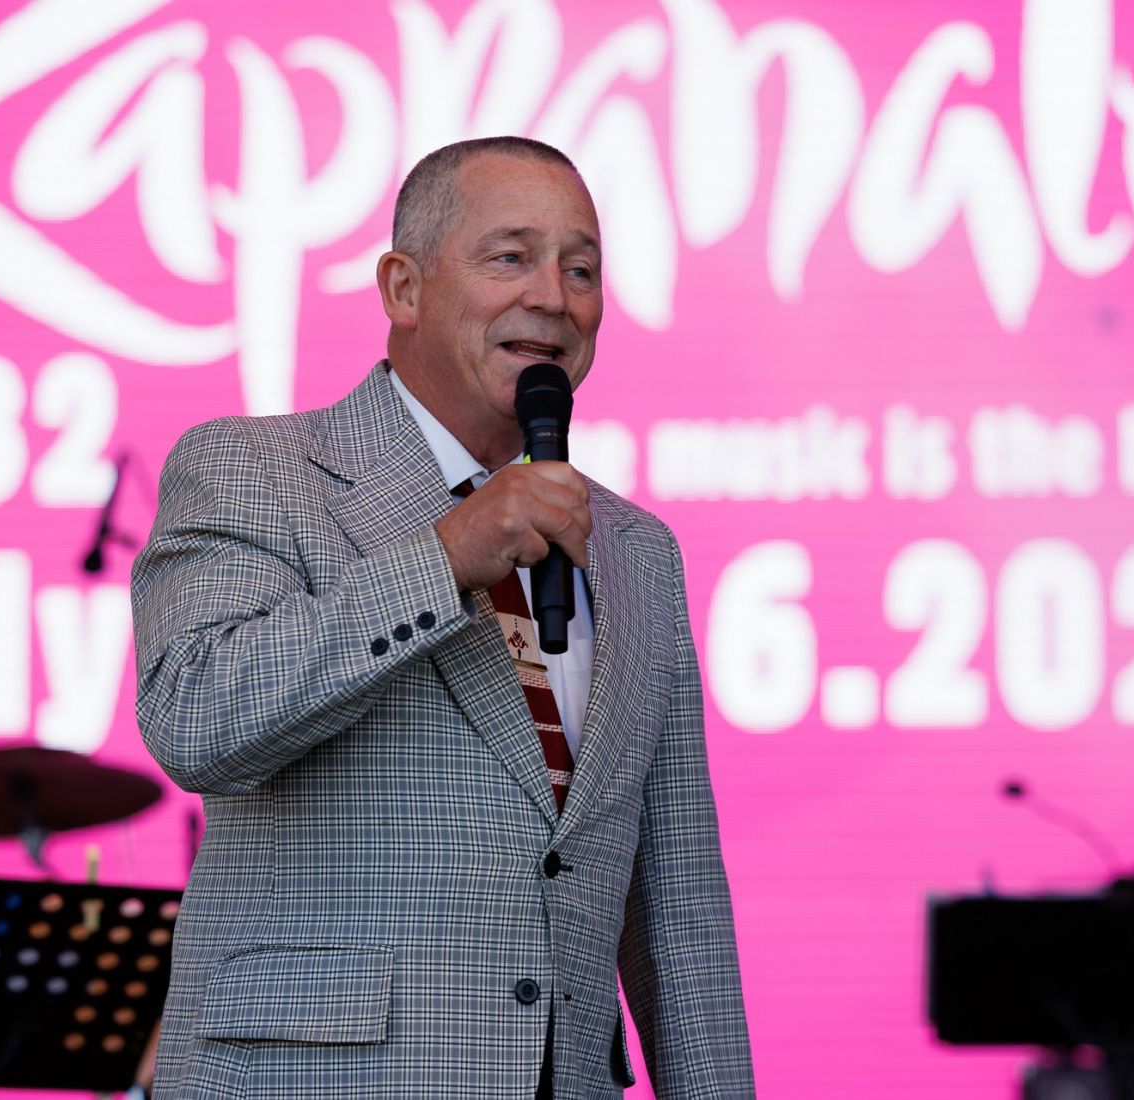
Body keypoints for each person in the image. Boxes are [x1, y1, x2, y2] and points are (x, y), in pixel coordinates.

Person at [131, 137, 754, 1100]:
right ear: (403, 287)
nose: (552, 296)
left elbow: (676, 898)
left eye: (580, 268)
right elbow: (197, 721)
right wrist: (445, 558)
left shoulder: (637, 550)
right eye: (510, 257)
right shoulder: (254, 470)